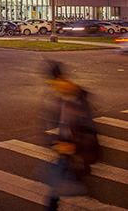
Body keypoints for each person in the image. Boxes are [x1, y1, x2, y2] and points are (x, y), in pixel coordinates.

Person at [43, 62, 100, 211]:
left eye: (54, 81)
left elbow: (84, 120)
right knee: (59, 180)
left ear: (59, 77)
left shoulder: (72, 93)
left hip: (74, 143)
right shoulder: (61, 93)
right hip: (66, 143)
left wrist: (76, 143)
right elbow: (59, 119)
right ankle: (54, 203)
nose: (53, 85)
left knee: (61, 180)